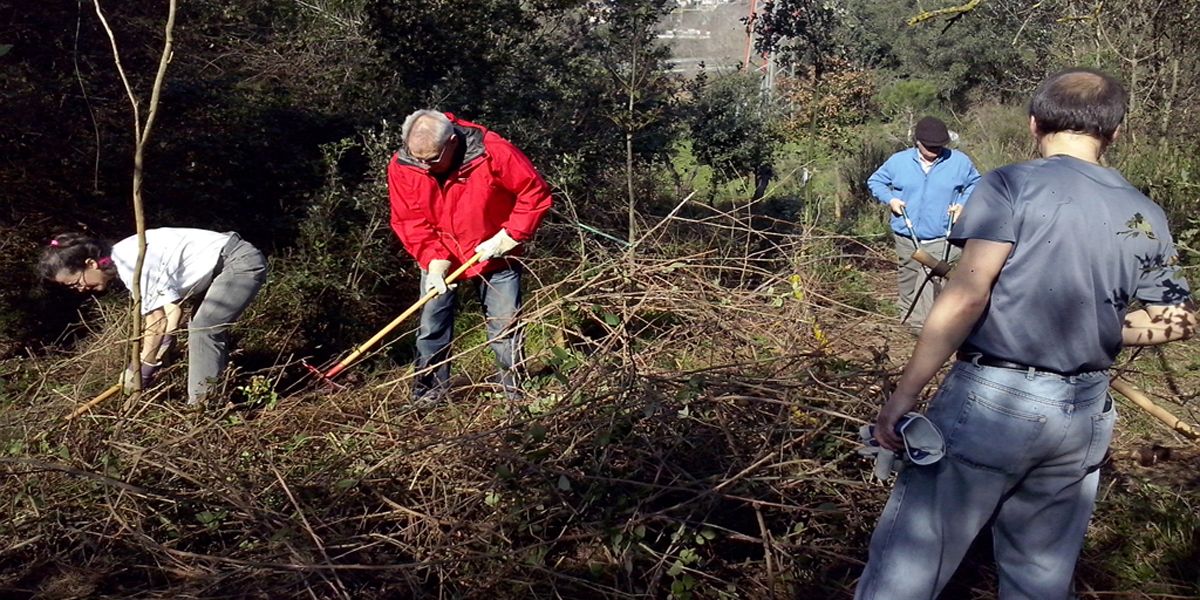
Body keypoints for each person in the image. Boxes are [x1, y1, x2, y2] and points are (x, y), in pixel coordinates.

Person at [855, 68, 1196, 600]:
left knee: (908, 569)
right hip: (1083, 414)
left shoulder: (1010, 185)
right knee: (1038, 578)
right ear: (1116, 132)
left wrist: (903, 396)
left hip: (995, 403)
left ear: (1034, 123)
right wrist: (1103, 327)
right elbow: (1181, 318)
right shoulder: (1145, 213)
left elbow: (967, 296)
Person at [387, 109, 552, 404]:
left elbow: (534, 193)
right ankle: (428, 394)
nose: (424, 166)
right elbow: (408, 219)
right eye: (418, 158)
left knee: (505, 327)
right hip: (440, 257)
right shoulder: (403, 165)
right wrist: (433, 260)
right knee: (431, 326)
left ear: (451, 141)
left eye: (432, 159)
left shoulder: (493, 152)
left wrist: (509, 236)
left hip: (495, 252)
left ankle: (516, 396)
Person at [39, 228, 268, 405]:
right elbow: (171, 312)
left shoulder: (131, 262)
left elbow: (156, 322)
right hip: (222, 265)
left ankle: (202, 409)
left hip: (237, 262)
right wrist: (161, 346)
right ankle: (214, 392)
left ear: (90, 263)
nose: (79, 289)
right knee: (200, 328)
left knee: (203, 329)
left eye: (75, 282)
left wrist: (141, 369)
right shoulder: (126, 258)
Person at [868, 116, 981, 332]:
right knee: (908, 275)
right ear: (917, 142)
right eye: (929, 146)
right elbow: (876, 181)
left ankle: (924, 328)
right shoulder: (898, 162)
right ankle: (907, 319)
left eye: (938, 147)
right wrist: (890, 199)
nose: (934, 151)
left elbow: (976, 183)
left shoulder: (959, 162)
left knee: (930, 278)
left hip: (941, 234)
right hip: (906, 233)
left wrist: (962, 205)